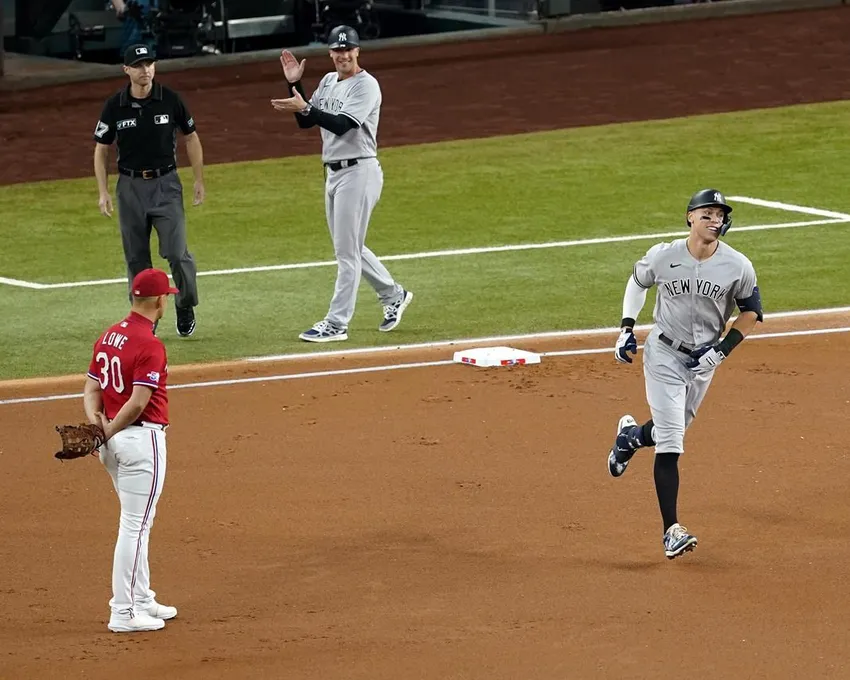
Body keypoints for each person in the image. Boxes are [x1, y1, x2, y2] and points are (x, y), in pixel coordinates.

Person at [607, 189, 764, 560]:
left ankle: (629, 439)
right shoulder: (665, 255)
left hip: (703, 363)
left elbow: (752, 311)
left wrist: (721, 351)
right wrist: (626, 328)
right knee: (672, 443)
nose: (715, 220)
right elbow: (637, 280)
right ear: (690, 217)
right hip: (663, 353)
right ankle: (671, 531)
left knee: (667, 430)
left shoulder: (737, 265)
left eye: (720, 215)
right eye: (707, 213)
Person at [270, 25, 414, 343]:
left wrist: (306, 106)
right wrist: (295, 84)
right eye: (338, 49)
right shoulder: (327, 81)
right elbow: (306, 120)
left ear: (357, 51)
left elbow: (344, 126)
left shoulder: (367, 86)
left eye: (348, 49)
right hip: (333, 174)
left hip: (359, 172)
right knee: (350, 248)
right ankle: (394, 295)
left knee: (346, 254)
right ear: (330, 52)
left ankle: (337, 323)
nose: (343, 54)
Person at [83, 268, 178, 632]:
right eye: (166, 296)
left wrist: (98, 430)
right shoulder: (150, 344)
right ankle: (122, 612)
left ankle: (141, 599)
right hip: (140, 441)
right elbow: (138, 403)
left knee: (140, 523)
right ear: (158, 300)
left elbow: (91, 389)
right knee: (134, 526)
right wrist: (107, 430)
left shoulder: (110, 335)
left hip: (113, 444)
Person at [94, 43, 204, 338]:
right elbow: (101, 148)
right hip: (129, 187)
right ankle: (144, 319)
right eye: (139, 65)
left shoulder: (170, 100)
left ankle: (185, 302)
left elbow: (191, 137)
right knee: (136, 258)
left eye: (150, 64)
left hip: (166, 184)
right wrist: (103, 191)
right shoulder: (114, 105)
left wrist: (198, 180)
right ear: (126, 70)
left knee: (177, 253)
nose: (146, 70)